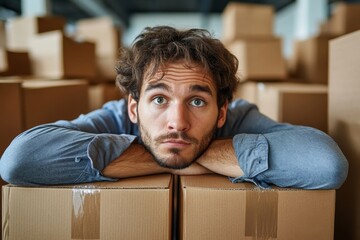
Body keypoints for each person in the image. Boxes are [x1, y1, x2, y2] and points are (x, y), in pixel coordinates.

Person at [0, 26, 348, 189]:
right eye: (159, 99)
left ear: (222, 113)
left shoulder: (240, 116)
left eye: (197, 101)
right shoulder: (114, 117)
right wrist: (193, 159)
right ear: (134, 109)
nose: (177, 123)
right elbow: (19, 160)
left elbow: (325, 165)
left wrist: (191, 155)